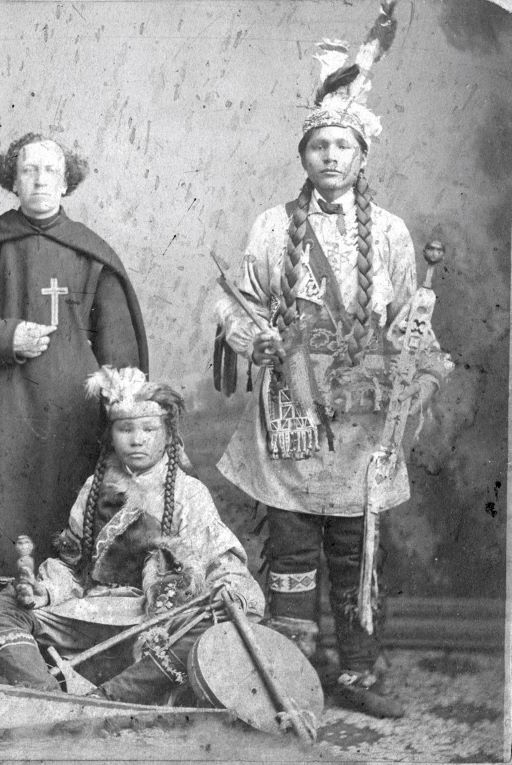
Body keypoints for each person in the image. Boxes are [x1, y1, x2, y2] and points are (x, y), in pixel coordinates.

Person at [213, 5, 451, 719]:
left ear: (362, 155)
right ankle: (292, 670)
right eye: (319, 146)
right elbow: (234, 305)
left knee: (356, 546)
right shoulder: (269, 227)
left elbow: (411, 314)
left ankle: (356, 672)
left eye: (343, 146)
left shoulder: (392, 233)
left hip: (364, 416)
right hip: (291, 410)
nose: (331, 157)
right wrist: (252, 339)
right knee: (290, 543)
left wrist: (414, 360)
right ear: (304, 155)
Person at [0, 133, 148, 576]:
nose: (40, 180)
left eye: (51, 171)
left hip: (75, 416)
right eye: (29, 170)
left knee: (74, 507)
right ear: (13, 181)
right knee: (1, 509)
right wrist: (6, 338)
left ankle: (66, 600)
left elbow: (121, 355)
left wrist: (123, 396)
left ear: (67, 183)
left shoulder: (93, 255)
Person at [0, 367, 264, 705]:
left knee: (216, 625)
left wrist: (227, 588)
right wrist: (45, 591)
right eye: (125, 428)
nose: (137, 439)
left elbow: (222, 561)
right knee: (0, 609)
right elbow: (73, 565)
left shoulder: (190, 493)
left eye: (149, 429)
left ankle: (108, 698)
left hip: (156, 618)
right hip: (88, 611)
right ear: (111, 434)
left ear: (169, 435)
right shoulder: (94, 488)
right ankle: (51, 699)